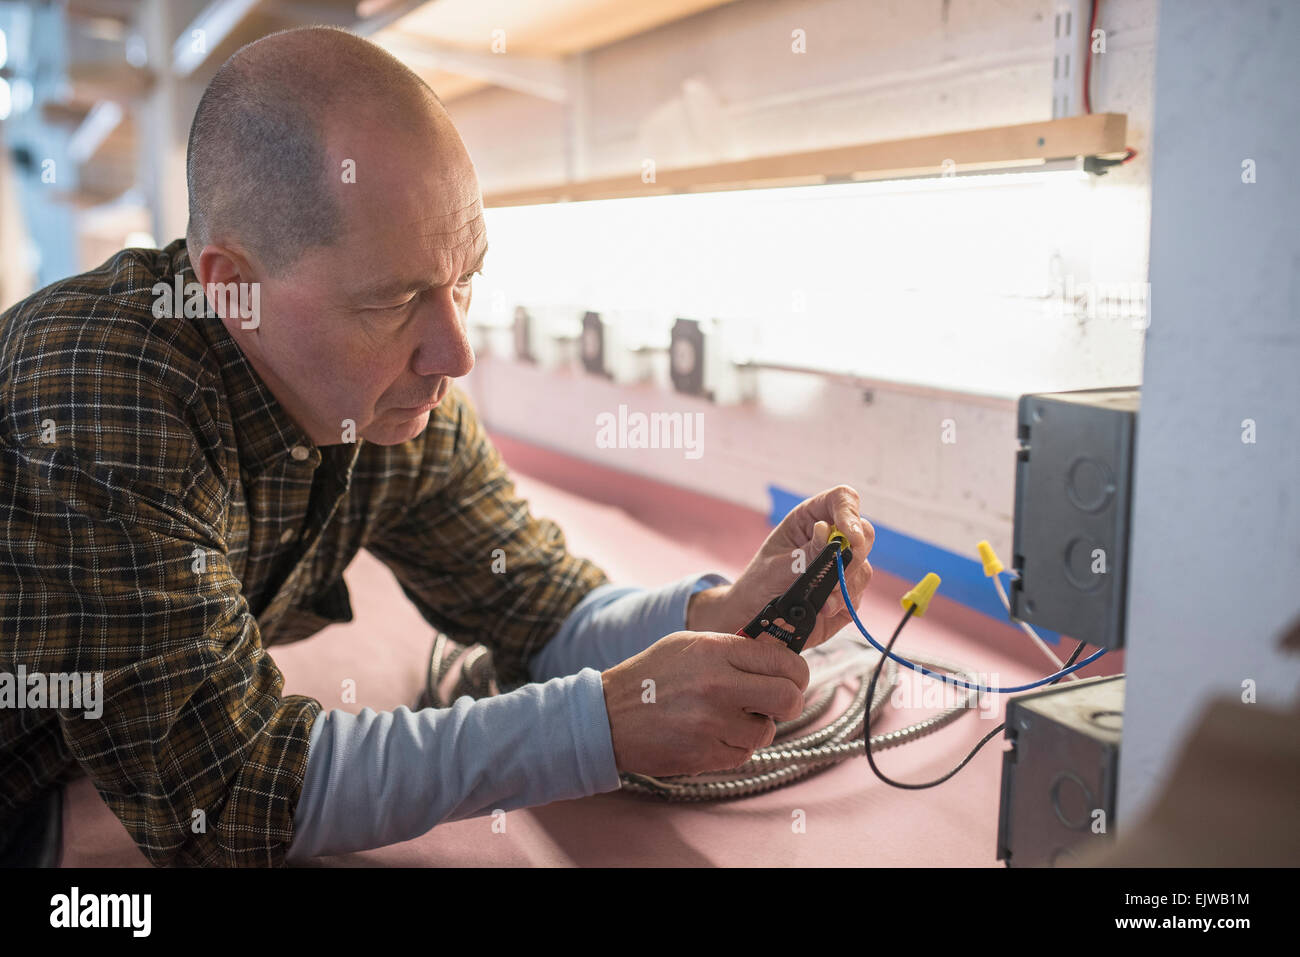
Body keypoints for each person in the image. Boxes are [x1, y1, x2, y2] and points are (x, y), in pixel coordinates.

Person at [0, 26, 874, 866]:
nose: (454, 353)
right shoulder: (97, 394)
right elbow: (234, 794)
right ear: (235, 290)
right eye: (393, 300)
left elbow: (540, 607)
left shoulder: (386, 399)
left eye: (464, 280)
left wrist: (711, 616)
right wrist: (604, 723)